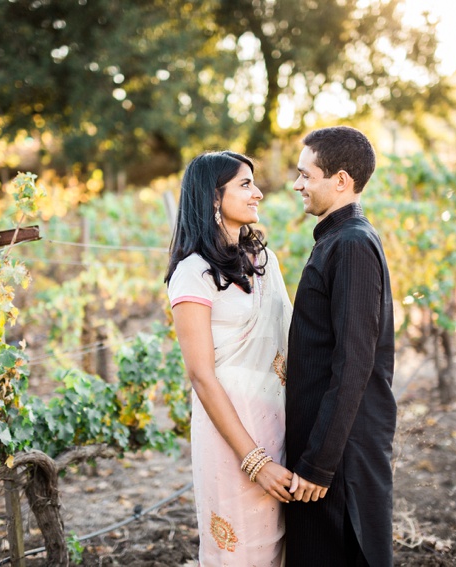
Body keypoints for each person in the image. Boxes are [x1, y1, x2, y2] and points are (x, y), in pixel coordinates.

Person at [165, 151, 294, 566]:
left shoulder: (264, 262)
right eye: (244, 184)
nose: (257, 193)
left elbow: (290, 338)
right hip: (230, 434)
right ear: (213, 198)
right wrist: (254, 460)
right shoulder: (193, 273)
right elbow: (202, 377)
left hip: (279, 420)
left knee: (281, 546)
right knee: (239, 550)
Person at [285, 126, 397, 566]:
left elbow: (354, 363)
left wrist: (319, 464)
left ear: (341, 180)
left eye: (305, 175)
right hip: (328, 446)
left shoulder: (350, 245)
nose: (297, 185)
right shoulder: (339, 240)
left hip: (338, 457)